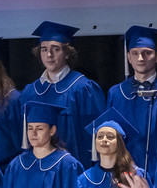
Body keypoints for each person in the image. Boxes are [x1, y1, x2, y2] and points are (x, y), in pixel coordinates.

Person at [20, 21, 105, 154]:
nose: (49, 55)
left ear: (67, 53)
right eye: (44, 49)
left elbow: (97, 132)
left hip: (75, 162)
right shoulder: (30, 92)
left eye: (56, 49)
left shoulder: (83, 88)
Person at [106, 25, 157, 166]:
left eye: (147, 53)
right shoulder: (117, 93)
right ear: (128, 57)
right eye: (135, 53)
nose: (140, 58)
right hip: (126, 169)